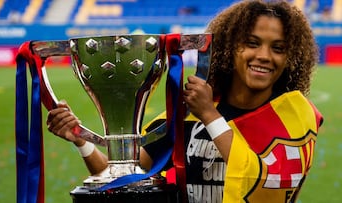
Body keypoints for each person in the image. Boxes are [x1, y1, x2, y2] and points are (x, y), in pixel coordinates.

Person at [46, 0, 323, 202]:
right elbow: (126, 178)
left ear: (290, 58)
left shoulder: (294, 116)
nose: (264, 55)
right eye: (251, 43)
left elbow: (267, 190)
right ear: (230, 47)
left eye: (277, 48)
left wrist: (211, 117)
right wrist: (80, 140)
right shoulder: (188, 113)